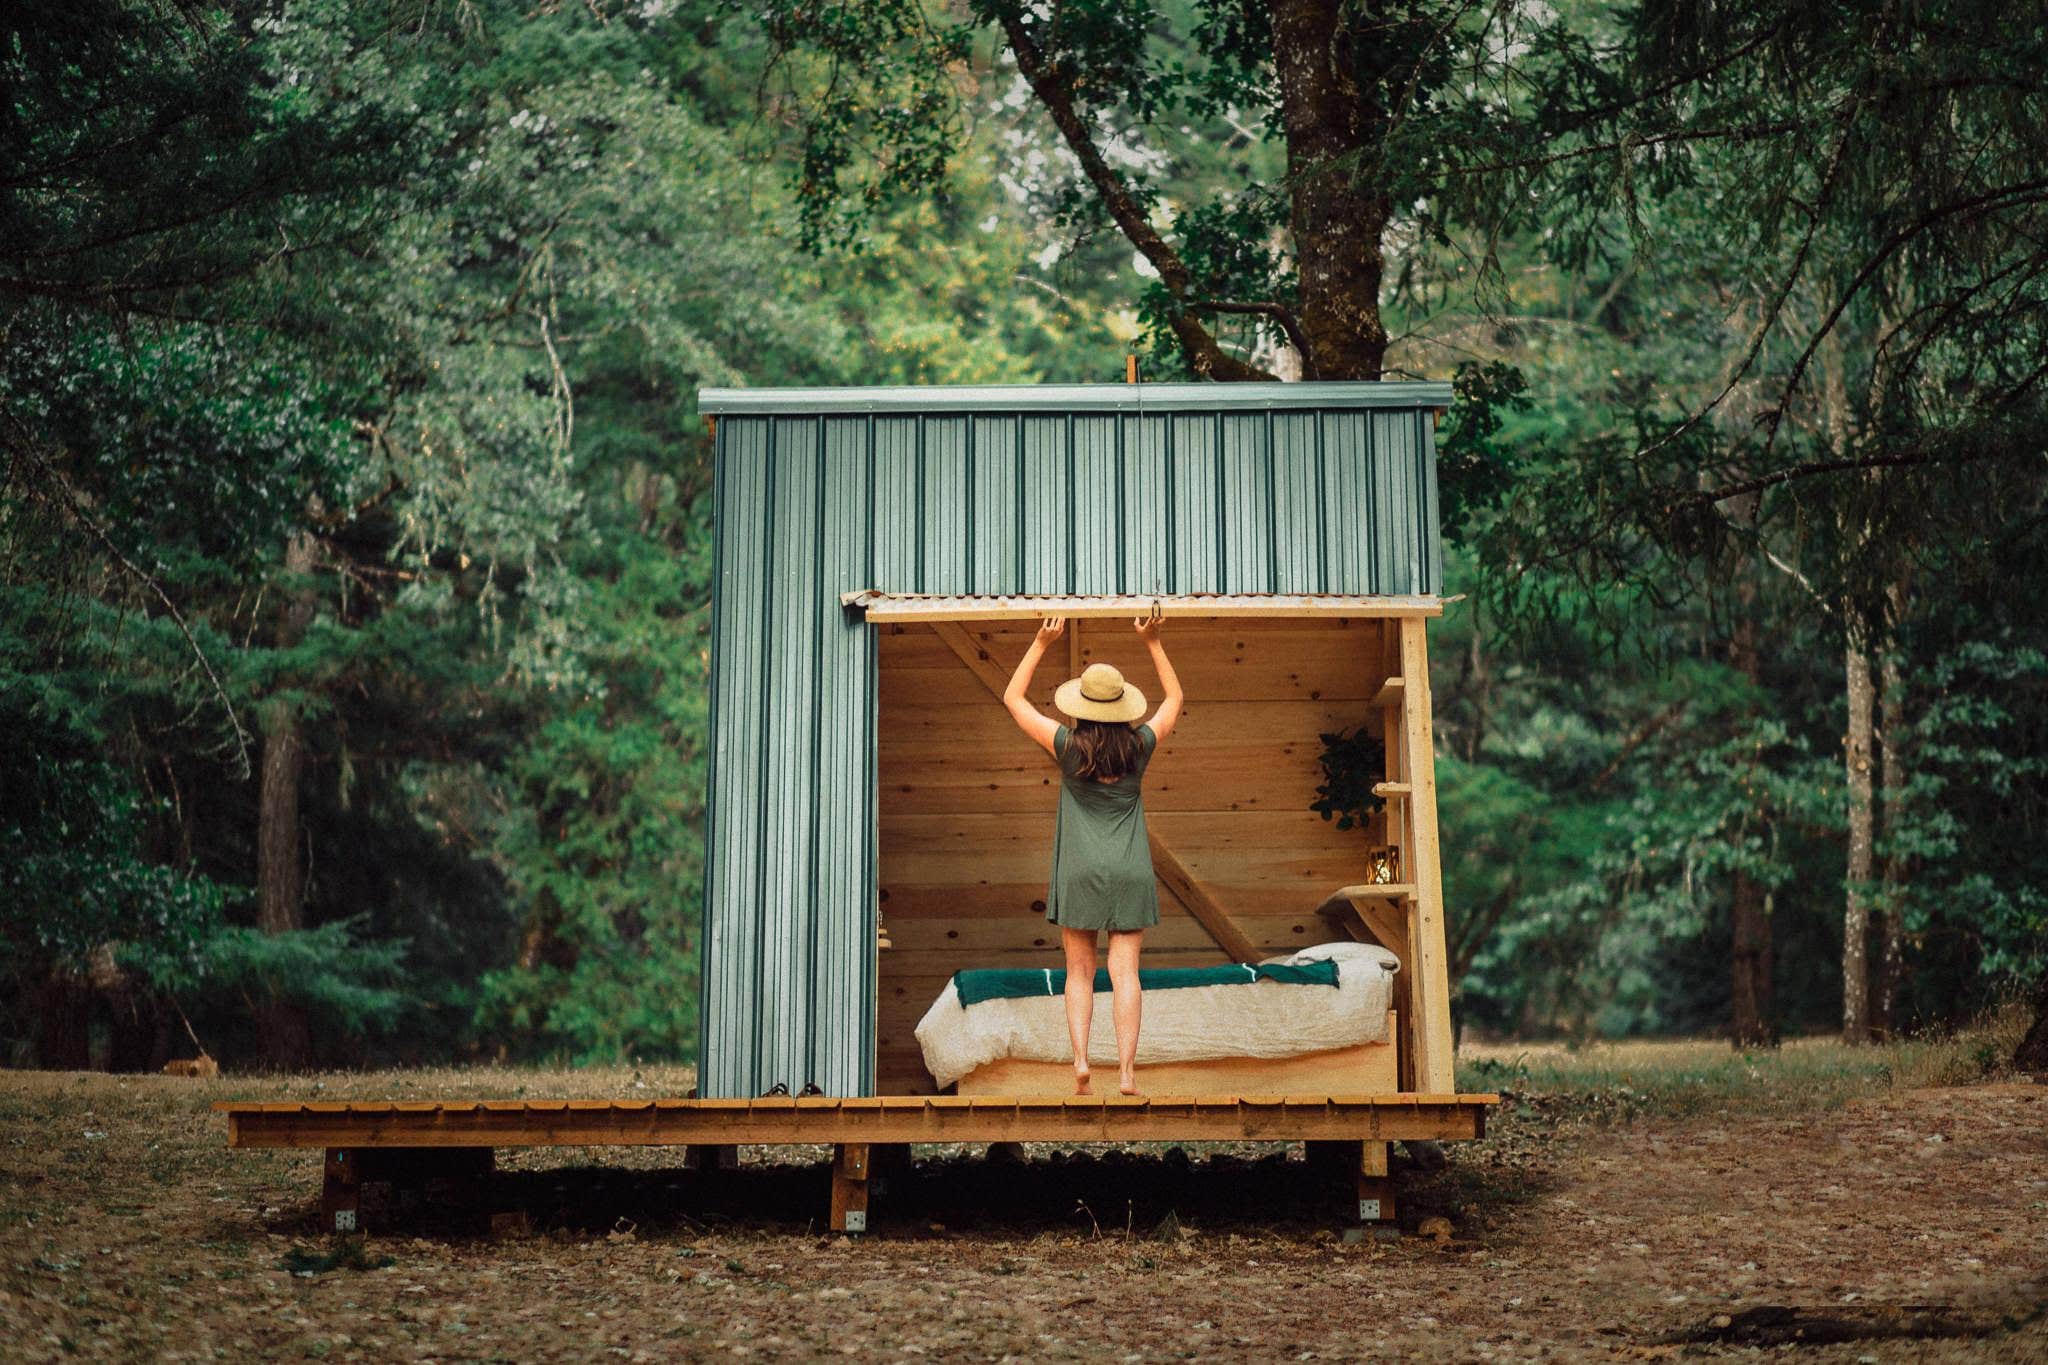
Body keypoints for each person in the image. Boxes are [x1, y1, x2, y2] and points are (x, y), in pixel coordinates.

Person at [1001, 616, 1184, 1095]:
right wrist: (1153, 640)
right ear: (1123, 707)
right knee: (1126, 974)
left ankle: (1081, 1064)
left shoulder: (1066, 746)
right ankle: (1125, 1072)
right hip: (1130, 870)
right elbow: (1176, 701)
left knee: (1079, 971)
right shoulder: (1139, 746)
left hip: (1079, 869)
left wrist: (1041, 640)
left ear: (1080, 707)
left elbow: (1012, 700)